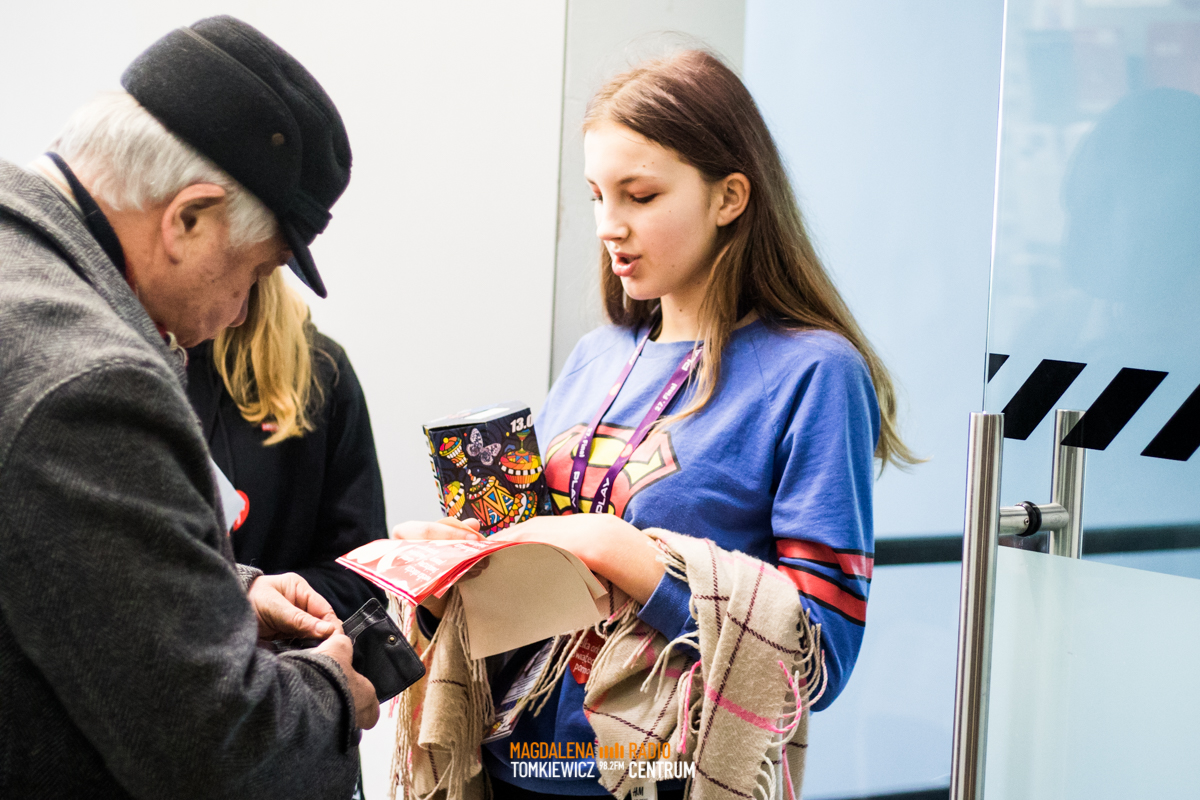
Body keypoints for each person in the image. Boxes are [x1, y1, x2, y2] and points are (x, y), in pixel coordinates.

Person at [392, 50, 916, 800]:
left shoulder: (816, 373)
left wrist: (626, 557)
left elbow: (816, 661)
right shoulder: (598, 355)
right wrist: (458, 580)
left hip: (663, 781)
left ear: (730, 196)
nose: (610, 226)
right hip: (514, 771)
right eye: (597, 196)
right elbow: (538, 602)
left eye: (640, 196)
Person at [0, 17, 379, 799]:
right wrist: (332, 694)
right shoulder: (94, 384)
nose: (240, 312)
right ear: (188, 218)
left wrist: (223, 590)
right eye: (256, 272)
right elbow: (216, 749)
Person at [187, 270, 388, 621]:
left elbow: (364, 577)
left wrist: (267, 600)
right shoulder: (129, 366)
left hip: (295, 648)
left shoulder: (320, 370)